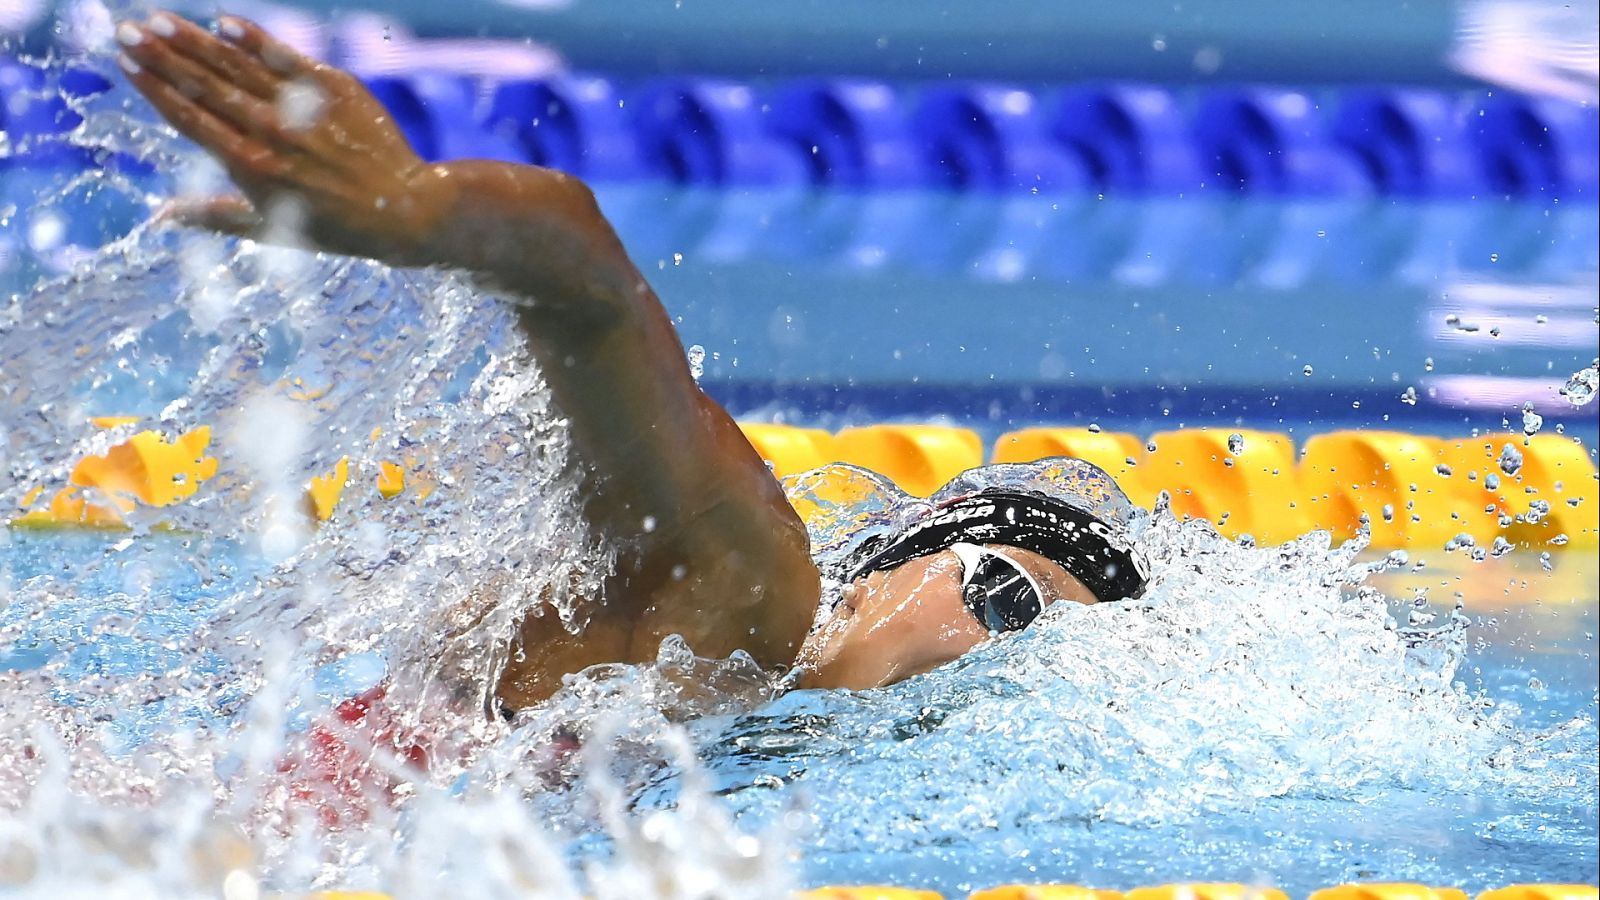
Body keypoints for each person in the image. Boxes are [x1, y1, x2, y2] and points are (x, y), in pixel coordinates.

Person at [110, 12, 1149, 714]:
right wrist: (420, 209)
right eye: (1002, 595)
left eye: (1024, 656)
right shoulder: (749, 594)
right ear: (883, 573)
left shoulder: (753, 721)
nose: (979, 650)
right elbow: (584, 277)